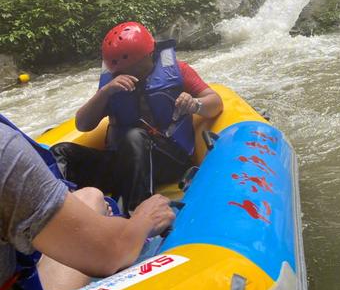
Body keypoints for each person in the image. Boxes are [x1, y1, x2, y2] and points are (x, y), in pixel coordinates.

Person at [0, 120, 174, 290]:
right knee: (93, 198)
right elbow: (84, 122)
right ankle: (124, 212)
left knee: (89, 195)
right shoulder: (5, 149)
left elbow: (210, 104)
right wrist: (145, 218)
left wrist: (192, 103)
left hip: (153, 144)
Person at [51, 22, 223, 215]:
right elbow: (82, 125)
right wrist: (105, 92)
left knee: (134, 136)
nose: (127, 74)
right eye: (121, 70)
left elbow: (216, 102)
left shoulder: (179, 70)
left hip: (168, 159)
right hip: (123, 162)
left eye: (133, 68)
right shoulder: (112, 85)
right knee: (61, 152)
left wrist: (195, 104)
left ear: (149, 55)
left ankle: (132, 214)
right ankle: (55, 211)